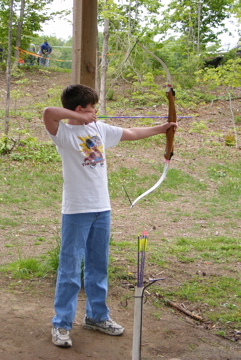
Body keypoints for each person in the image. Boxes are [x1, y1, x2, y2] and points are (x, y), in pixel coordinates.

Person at [43, 84, 177, 348]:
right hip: (76, 210)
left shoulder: (99, 128)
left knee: (97, 266)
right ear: (80, 109)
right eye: (92, 107)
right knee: (70, 269)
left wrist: (162, 129)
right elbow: (49, 112)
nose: (96, 112)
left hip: (102, 208)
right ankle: (61, 324)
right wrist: (79, 119)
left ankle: (96, 316)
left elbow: (130, 132)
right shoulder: (64, 132)